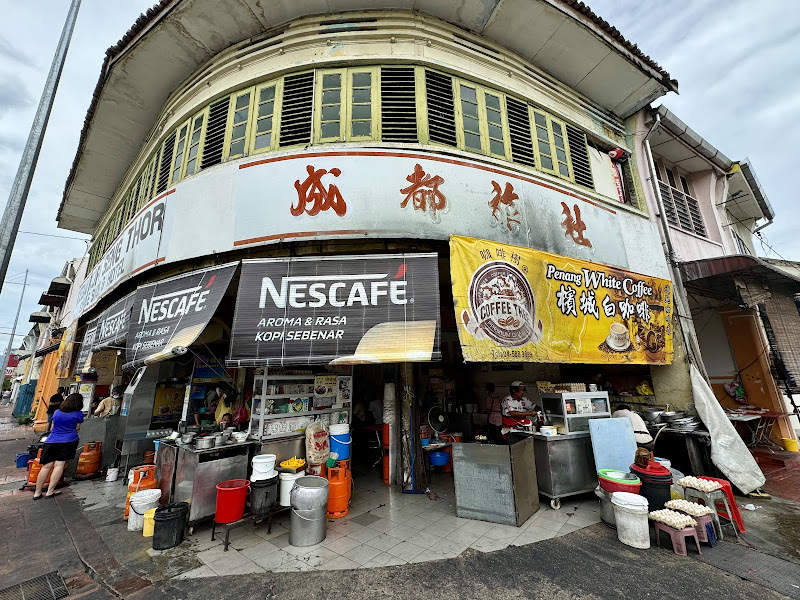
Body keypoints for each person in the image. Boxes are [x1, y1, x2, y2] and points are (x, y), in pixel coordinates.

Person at [35, 393, 84, 499]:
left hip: (51, 441)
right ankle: (50, 491)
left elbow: (52, 428)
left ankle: (37, 492)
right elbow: (77, 428)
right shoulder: (78, 414)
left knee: (46, 466)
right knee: (59, 465)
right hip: (68, 441)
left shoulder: (57, 412)